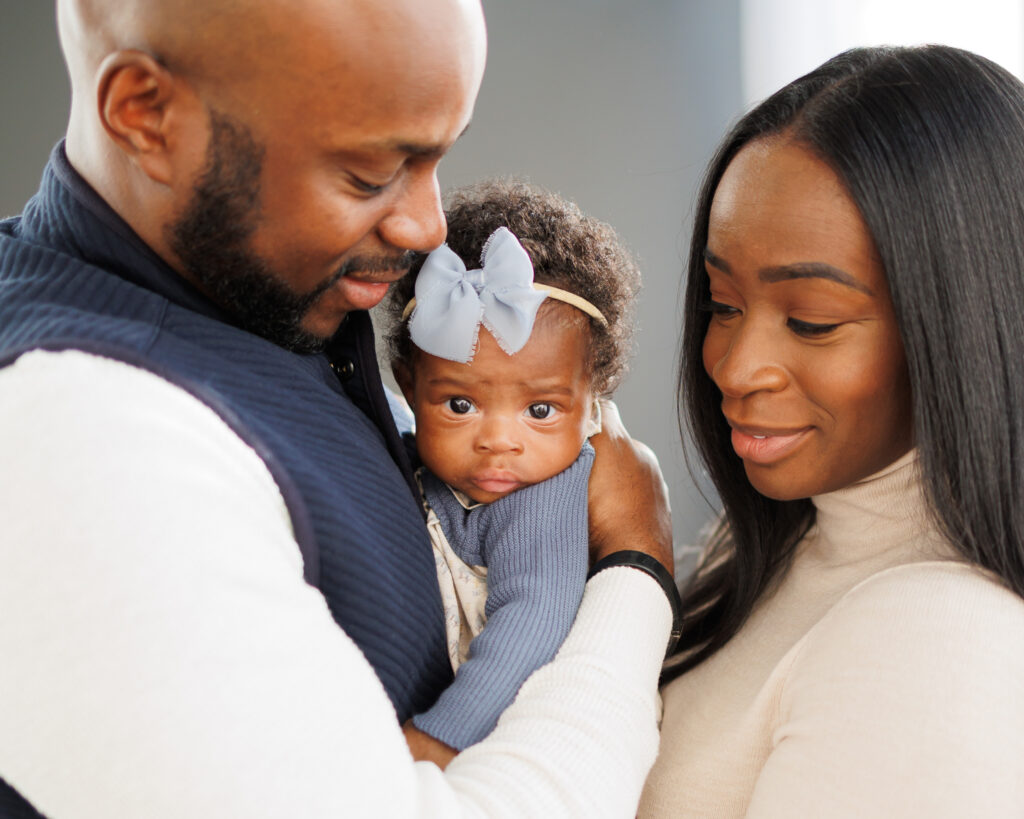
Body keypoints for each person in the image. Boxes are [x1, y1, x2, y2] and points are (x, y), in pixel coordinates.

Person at [0, 1, 676, 816]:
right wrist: (636, 571)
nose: (429, 226)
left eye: (436, 160)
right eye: (369, 173)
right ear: (147, 115)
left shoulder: (266, 305)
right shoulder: (77, 447)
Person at [639, 45, 1024, 817]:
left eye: (811, 320)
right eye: (721, 303)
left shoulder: (938, 640)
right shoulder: (761, 550)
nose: (736, 366)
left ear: (961, 326)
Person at [381, 180, 642, 752]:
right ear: (407, 389)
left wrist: (437, 740)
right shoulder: (405, 461)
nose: (498, 441)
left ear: (592, 400)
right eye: (459, 405)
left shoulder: (544, 495)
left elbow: (533, 619)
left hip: (505, 744)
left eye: (541, 410)